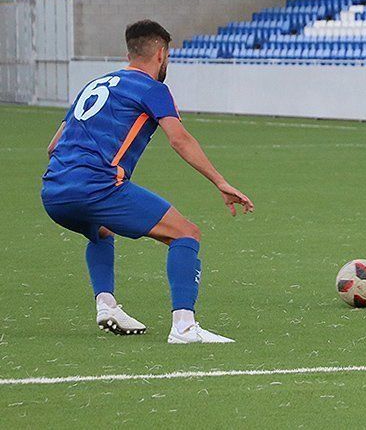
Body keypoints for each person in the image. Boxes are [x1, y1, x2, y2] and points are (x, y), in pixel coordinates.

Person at [41, 20, 254, 344]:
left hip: (53, 191)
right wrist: (220, 182)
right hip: (96, 187)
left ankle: (107, 305)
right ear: (160, 53)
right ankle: (184, 326)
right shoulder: (153, 90)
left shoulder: (95, 85)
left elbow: (53, 147)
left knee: (101, 231)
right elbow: (179, 139)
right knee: (186, 233)